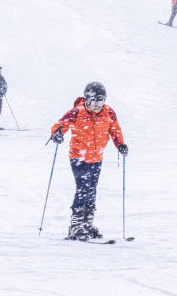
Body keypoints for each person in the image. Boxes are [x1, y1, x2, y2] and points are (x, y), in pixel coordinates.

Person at [49, 81, 127, 241]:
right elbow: (60, 125)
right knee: (83, 188)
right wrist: (57, 134)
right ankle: (76, 226)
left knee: (92, 190)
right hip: (79, 157)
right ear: (86, 99)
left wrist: (120, 144)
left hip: (97, 158)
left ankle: (87, 224)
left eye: (101, 101)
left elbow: (115, 130)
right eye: (93, 101)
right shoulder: (77, 112)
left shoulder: (109, 112)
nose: (97, 105)